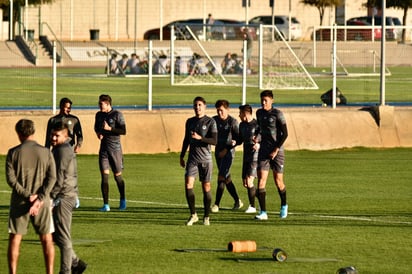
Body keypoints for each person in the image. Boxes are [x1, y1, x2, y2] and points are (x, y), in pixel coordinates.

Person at [6, 119, 56, 274]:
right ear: (33, 131)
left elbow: (11, 179)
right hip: (42, 202)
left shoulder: (13, 153)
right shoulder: (45, 152)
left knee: (15, 238)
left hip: (20, 201)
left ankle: (12, 272)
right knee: (47, 239)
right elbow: (52, 178)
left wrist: (28, 196)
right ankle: (50, 271)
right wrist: (39, 198)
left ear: (19, 133)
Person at [50, 122, 87, 274]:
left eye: (57, 135)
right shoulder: (60, 149)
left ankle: (66, 271)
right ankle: (76, 263)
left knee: (63, 237)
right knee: (54, 234)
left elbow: (59, 177)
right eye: (52, 134)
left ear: (66, 136)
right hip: (66, 194)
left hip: (64, 196)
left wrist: (51, 198)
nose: (53, 137)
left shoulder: (62, 151)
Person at [180, 96, 217, 226]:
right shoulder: (189, 121)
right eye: (195, 105)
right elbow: (186, 140)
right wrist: (182, 155)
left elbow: (214, 141)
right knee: (188, 184)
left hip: (206, 160)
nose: (197, 107)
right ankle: (193, 214)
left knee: (206, 186)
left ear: (204, 107)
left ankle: (206, 216)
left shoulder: (210, 122)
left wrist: (201, 138)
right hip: (192, 159)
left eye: (200, 105)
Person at [254, 90, 289, 220]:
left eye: (266, 101)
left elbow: (285, 134)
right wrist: (256, 138)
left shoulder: (278, 114)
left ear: (272, 100)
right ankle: (263, 212)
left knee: (278, 181)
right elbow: (259, 129)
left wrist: (276, 149)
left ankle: (284, 205)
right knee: (261, 181)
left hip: (277, 151)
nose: (263, 103)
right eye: (262, 100)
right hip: (264, 150)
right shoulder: (259, 113)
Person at [94, 94, 127, 212]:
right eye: (99, 103)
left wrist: (110, 129)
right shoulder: (98, 115)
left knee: (117, 176)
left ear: (108, 104)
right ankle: (106, 204)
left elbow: (123, 131)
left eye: (101, 104)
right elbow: (96, 127)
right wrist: (99, 133)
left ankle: (123, 199)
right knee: (104, 177)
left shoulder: (117, 115)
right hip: (103, 150)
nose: (99, 106)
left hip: (115, 150)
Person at [211, 100, 243, 213]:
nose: (220, 113)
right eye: (218, 110)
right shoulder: (213, 120)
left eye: (222, 110)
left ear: (227, 110)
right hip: (218, 153)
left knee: (221, 176)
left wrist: (227, 148)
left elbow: (239, 139)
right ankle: (237, 201)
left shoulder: (232, 122)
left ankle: (216, 204)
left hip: (228, 154)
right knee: (226, 178)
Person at [238, 104, 259, 214]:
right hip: (246, 156)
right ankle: (261, 197)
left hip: (255, 157)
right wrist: (234, 142)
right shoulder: (241, 125)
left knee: (249, 181)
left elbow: (263, 137)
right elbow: (240, 139)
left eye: (240, 113)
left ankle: (252, 206)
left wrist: (258, 144)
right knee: (245, 184)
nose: (239, 115)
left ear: (245, 113)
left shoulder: (256, 124)